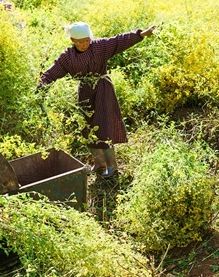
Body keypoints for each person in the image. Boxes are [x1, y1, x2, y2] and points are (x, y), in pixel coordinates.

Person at [38, 22, 156, 178]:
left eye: (86, 40)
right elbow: (52, 72)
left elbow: (119, 40)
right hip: (85, 92)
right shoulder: (67, 57)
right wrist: (41, 86)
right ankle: (99, 164)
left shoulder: (99, 47)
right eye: (79, 41)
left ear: (90, 38)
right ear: (72, 40)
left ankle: (112, 167)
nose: (83, 44)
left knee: (103, 126)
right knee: (87, 128)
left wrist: (139, 34)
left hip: (103, 89)